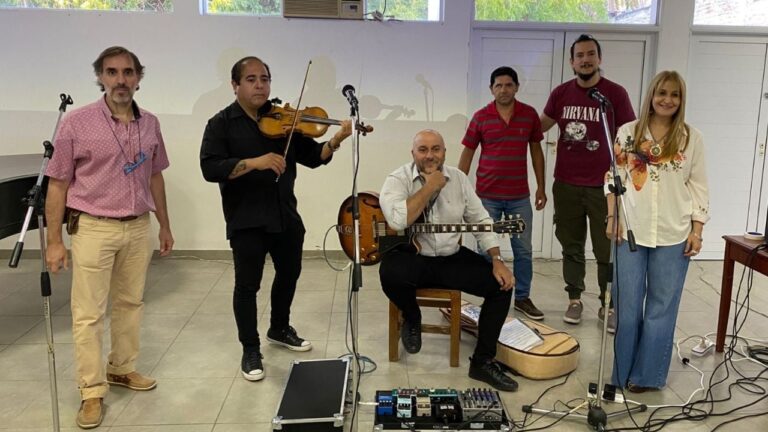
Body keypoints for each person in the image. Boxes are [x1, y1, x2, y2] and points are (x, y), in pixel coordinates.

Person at [200, 56, 352, 383]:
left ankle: (279, 328)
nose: (260, 85)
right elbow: (210, 168)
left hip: (285, 215)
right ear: (236, 85)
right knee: (247, 285)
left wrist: (337, 139)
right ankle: (250, 348)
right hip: (246, 218)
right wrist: (255, 162)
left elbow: (315, 157)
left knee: (289, 274)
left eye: (265, 79)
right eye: (252, 79)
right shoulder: (221, 124)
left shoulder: (283, 120)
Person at [44, 46, 174, 429]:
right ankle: (91, 391)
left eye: (129, 72)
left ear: (139, 77)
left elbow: (155, 175)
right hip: (93, 226)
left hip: (137, 227)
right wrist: (54, 240)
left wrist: (163, 224)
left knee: (130, 302)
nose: (121, 80)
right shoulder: (77, 122)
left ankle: (121, 368)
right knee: (88, 314)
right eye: (112, 72)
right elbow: (58, 183)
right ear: (100, 76)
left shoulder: (149, 123)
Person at [379, 129, 519, 392]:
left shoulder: (459, 179)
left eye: (436, 149)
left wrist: (497, 259)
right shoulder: (397, 179)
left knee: (502, 286)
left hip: (451, 258)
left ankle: (482, 362)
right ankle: (412, 316)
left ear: (445, 152)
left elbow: (480, 220)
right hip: (412, 257)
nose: (430, 156)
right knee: (389, 273)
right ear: (413, 154)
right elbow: (398, 220)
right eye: (423, 150)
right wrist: (430, 186)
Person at [607, 71, 708, 392]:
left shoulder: (691, 139)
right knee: (627, 308)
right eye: (662, 92)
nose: (667, 99)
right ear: (651, 94)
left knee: (660, 310)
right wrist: (613, 216)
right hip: (630, 232)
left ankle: (647, 376)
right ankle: (622, 373)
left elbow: (699, 186)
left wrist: (697, 229)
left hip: (674, 233)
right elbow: (614, 178)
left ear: (682, 100)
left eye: (675, 95)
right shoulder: (628, 133)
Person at [540, 34, 635, 331]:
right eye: (579, 55)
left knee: (606, 249)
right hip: (566, 184)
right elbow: (538, 127)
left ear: (599, 58)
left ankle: (608, 304)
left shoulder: (614, 94)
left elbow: (628, 137)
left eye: (590, 54)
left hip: (603, 187)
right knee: (571, 245)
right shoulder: (560, 94)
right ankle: (575, 299)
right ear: (571, 62)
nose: (585, 59)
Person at [459, 66, 546, 321]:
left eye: (508, 85)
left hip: (520, 195)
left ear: (516, 87)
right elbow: (468, 153)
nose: (503, 90)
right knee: (487, 251)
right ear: (491, 89)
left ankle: (522, 298)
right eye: (498, 85)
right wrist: (459, 188)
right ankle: (492, 294)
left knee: (523, 250)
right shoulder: (480, 117)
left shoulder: (529, 115)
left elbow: (536, 151)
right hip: (486, 197)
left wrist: (541, 186)